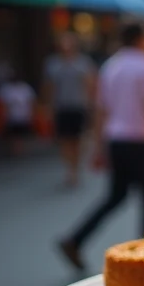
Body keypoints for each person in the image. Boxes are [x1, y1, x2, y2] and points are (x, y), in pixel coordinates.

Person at [58, 22, 144, 270]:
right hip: (141, 140)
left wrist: (99, 146)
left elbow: (101, 110)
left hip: (117, 140)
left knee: (116, 196)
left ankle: (76, 239)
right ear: (141, 38)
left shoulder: (111, 66)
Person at [42, 32, 97, 186]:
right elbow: (49, 86)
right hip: (61, 106)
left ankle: (76, 166)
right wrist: (48, 106)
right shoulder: (52, 64)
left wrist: (92, 104)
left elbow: (90, 84)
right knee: (65, 139)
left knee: (78, 139)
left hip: (79, 106)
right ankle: (70, 169)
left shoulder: (83, 63)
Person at [0, 67, 37, 157]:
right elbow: (2, 104)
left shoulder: (25, 87)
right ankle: (15, 152)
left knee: (23, 134)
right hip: (11, 117)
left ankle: (22, 152)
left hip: (24, 116)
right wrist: (3, 116)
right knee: (13, 135)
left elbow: (31, 102)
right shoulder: (5, 89)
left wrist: (32, 114)